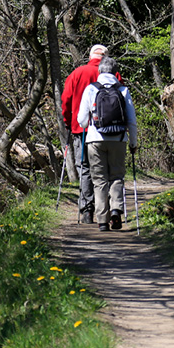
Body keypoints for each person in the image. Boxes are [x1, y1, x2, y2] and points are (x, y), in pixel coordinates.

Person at [77, 56, 138, 232]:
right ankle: (116, 211)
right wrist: (133, 142)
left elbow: (81, 121)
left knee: (99, 180)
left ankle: (102, 220)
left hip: (95, 140)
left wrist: (89, 122)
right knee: (117, 177)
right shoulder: (123, 90)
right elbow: (131, 120)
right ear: (115, 72)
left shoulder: (91, 89)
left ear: (100, 71)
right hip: (119, 139)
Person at [61, 44, 115, 224]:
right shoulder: (112, 75)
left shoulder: (77, 73)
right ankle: (104, 208)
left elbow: (66, 100)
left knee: (84, 168)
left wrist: (69, 122)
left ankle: (86, 210)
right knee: (103, 170)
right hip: (106, 131)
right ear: (105, 57)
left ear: (90, 56)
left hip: (81, 129)